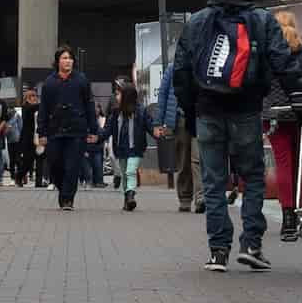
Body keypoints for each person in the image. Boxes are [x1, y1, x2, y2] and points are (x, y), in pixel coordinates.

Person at [173, 0, 301, 273]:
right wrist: (299, 94)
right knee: (253, 177)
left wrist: (192, 111)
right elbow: (281, 61)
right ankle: (252, 245)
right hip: (245, 109)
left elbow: (181, 71)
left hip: (207, 111)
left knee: (214, 182)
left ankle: (218, 252)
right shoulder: (260, 19)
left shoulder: (197, 22)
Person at [263, 11, 302, 241]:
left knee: (283, 164)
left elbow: (262, 87)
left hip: (276, 117)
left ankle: (288, 217)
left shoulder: (269, 56)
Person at [38, 45, 98, 211]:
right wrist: (41, 132)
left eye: (70, 58)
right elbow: (43, 109)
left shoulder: (82, 80)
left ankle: (67, 199)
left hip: (76, 130)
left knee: (72, 166)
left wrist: (94, 130)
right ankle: (62, 188)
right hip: (54, 130)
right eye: (64, 58)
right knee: (55, 164)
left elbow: (89, 106)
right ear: (57, 61)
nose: (68, 61)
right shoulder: (49, 83)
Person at [97, 82, 156, 211]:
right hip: (121, 149)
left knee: (130, 172)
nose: (116, 97)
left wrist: (157, 132)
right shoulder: (115, 113)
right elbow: (107, 131)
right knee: (124, 174)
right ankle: (127, 198)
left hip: (136, 149)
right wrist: (97, 137)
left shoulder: (141, 112)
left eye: (118, 94)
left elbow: (150, 126)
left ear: (127, 96)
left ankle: (131, 194)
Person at [157, 60, 204, 213]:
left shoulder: (201, 63)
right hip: (180, 119)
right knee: (183, 161)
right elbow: (163, 95)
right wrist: (159, 122)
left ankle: (200, 198)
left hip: (199, 117)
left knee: (197, 159)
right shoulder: (172, 68)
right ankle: (185, 198)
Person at [14, 88, 45, 188]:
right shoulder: (25, 107)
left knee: (40, 159)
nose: (34, 98)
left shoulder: (39, 108)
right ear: (27, 98)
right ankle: (19, 176)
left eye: (35, 96)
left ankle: (39, 182)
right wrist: (45, 102)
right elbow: (32, 109)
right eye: (32, 96)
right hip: (28, 138)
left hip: (39, 136)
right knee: (28, 160)